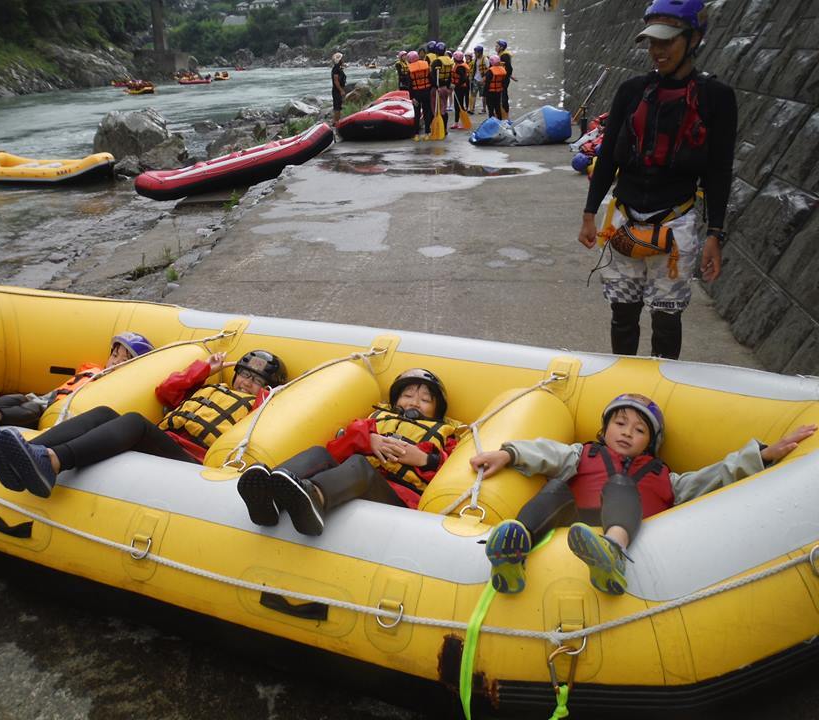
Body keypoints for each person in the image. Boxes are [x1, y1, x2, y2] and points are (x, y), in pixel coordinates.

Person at [470, 394, 817, 595]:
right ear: (604, 429)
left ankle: (613, 553)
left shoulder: (666, 477)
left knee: (621, 485)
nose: (626, 433)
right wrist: (508, 453)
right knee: (556, 488)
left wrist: (763, 455)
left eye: (638, 430)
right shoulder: (582, 453)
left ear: (649, 444)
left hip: (625, 529)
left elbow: (717, 475)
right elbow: (545, 452)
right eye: (619, 424)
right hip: (572, 523)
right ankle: (514, 548)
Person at [578, 0, 737, 360]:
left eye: (667, 41)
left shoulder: (717, 98)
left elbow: (719, 171)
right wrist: (590, 214)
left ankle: (658, 395)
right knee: (622, 316)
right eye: (652, 41)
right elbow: (606, 160)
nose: (657, 50)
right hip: (624, 220)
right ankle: (623, 392)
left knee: (666, 320)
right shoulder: (631, 91)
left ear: (694, 38)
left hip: (676, 224)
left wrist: (716, 233)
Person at [0, 349, 287, 498]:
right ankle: (25, 452)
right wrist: (204, 369)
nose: (246, 382)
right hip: (166, 440)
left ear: (267, 387)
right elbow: (166, 391)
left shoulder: (258, 407)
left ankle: (52, 462)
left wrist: (271, 393)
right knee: (104, 412)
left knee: (135, 422)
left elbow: (267, 411)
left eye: (256, 380)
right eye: (244, 374)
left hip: (191, 460)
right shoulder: (210, 386)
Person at [237, 369, 460, 536]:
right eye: (408, 396)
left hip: (397, 500)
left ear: (436, 409)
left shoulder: (446, 435)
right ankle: (268, 495)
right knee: (318, 453)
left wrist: (425, 459)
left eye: (425, 400)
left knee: (360, 466)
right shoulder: (372, 422)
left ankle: (315, 499)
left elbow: (454, 470)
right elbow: (335, 451)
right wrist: (367, 440)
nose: (414, 403)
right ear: (396, 401)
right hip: (354, 479)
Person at [0, 332, 154, 439]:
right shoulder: (92, 370)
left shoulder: (119, 387)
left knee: (32, 408)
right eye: (114, 355)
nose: (115, 362)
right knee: (19, 398)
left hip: (58, 413)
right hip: (48, 399)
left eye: (123, 360)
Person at [407, 50, 433, 139]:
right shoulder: (426, 66)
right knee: (427, 113)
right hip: (426, 92)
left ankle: (416, 134)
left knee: (417, 114)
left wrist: (412, 98)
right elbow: (431, 79)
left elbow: (410, 85)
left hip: (416, 94)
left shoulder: (409, 70)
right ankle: (427, 133)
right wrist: (435, 88)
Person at [429, 42, 453, 135]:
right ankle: (445, 129)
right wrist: (448, 86)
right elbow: (450, 75)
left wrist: (435, 86)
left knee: (434, 108)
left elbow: (433, 76)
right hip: (445, 88)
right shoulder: (448, 61)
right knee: (444, 108)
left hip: (437, 88)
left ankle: (437, 128)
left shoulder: (436, 62)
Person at [450, 51, 470, 130]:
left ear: (455, 59)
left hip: (460, 88)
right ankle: (457, 122)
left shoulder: (459, 67)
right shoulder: (461, 65)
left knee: (458, 105)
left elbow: (463, 78)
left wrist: (455, 85)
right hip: (462, 88)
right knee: (459, 105)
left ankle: (459, 123)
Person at [483, 55, 507, 119]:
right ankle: (500, 121)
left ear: (491, 62)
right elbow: (504, 82)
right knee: (497, 107)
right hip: (498, 92)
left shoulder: (490, 71)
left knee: (491, 109)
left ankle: (491, 122)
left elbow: (487, 83)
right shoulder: (502, 70)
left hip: (490, 93)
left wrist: (484, 93)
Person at [496, 41, 514, 120]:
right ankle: (502, 114)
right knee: (501, 97)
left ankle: (505, 115)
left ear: (501, 48)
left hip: (504, 80)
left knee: (503, 97)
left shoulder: (504, 56)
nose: (495, 47)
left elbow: (509, 68)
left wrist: (506, 77)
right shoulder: (501, 55)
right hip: (502, 79)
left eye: (497, 46)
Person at [469, 45, 489, 114]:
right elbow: (474, 69)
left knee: (483, 95)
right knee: (473, 94)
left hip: (483, 80)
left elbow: (489, 70)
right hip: (475, 79)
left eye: (476, 52)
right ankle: (472, 109)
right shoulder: (475, 59)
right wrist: (471, 77)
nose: (475, 53)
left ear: (480, 52)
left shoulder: (485, 59)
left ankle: (484, 109)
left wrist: (484, 78)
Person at [331, 52, 347, 126]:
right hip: (336, 91)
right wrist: (341, 90)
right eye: (341, 59)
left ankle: (337, 122)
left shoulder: (339, 68)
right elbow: (336, 81)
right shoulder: (336, 69)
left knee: (339, 107)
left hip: (338, 90)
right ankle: (335, 123)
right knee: (337, 107)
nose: (342, 60)